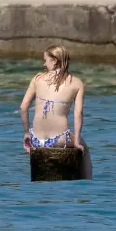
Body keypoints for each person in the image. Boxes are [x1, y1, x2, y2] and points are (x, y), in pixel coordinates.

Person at [19, 45, 93, 179]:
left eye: (45, 60)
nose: (44, 63)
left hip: (36, 139)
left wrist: (26, 133)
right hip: (60, 139)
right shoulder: (77, 83)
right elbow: (78, 113)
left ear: (54, 61)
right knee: (85, 149)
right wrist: (76, 142)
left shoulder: (37, 79)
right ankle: (88, 183)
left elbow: (23, 108)